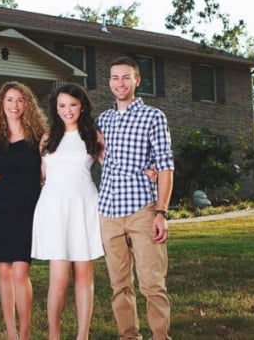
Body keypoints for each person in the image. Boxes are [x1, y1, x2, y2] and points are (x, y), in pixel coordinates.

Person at [96, 56, 175, 340]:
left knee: (152, 284)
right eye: (115, 77)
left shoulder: (153, 116)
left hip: (142, 208)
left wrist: (161, 213)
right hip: (108, 211)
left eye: (126, 77)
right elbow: (99, 153)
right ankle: (128, 336)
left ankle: (160, 336)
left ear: (137, 81)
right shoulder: (102, 120)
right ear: (109, 82)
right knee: (119, 285)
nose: (120, 83)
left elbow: (166, 166)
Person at [31, 84, 104, 340]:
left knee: (84, 277)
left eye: (72, 104)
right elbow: (41, 176)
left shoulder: (93, 136)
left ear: (81, 106)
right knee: (59, 279)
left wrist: (146, 172)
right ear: (55, 108)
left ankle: (82, 336)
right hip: (54, 209)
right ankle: (54, 335)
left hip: (84, 207)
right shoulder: (48, 137)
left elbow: (116, 167)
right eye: (62, 105)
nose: (67, 110)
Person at [0, 80, 47, 340]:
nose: (14, 105)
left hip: (28, 211)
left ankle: (24, 332)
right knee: (3, 271)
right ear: (1, 104)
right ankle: (10, 333)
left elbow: (48, 170)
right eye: (9, 100)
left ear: (27, 104)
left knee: (21, 271)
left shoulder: (39, 137)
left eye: (20, 100)